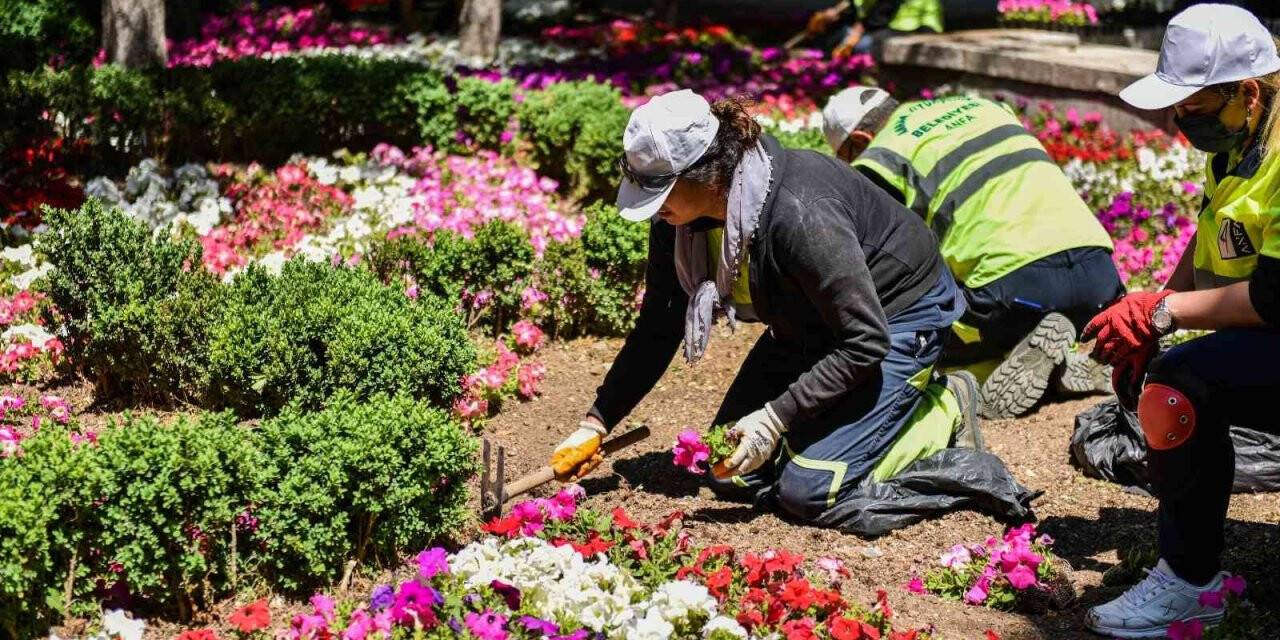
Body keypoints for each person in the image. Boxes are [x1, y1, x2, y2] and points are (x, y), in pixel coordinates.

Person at [548, 89, 983, 529]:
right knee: (728, 470)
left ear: (706, 173)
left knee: (810, 490)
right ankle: (838, 428)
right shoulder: (678, 221)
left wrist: (775, 418)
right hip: (810, 321)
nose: (653, 209)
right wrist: (596, 422)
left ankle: (944, 407)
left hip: (896, 319)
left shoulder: (801, 213)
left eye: (659, 191)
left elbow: (865, 341)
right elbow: (660, 324)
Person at [1082, 5, 1280, 638]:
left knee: (1181, 384)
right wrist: (1153, 316)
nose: (1180, 119)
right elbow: (1207, 246)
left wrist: (1161, 314)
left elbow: (1277, 296)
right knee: (1173, 379)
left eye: (1194, 104)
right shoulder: (1240, 146)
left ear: (1247, 92)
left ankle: (1191, 585)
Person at [821, 87, 1125, 418]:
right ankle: (1060, 362)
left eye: (846, 159)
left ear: (861, 140)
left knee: (905, 342)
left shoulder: (879, 156)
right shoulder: (983, 106)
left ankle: (985, 375)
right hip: (1100, 283)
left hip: (1013, 294)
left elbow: (877, 267)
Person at [805, 0, 942, 58]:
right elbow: (854, 7)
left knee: (863, 45)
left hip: (913, 29)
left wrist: (860, 28)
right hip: (888, 25)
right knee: (839, 36)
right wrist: (834, 13)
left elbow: (882, 12)